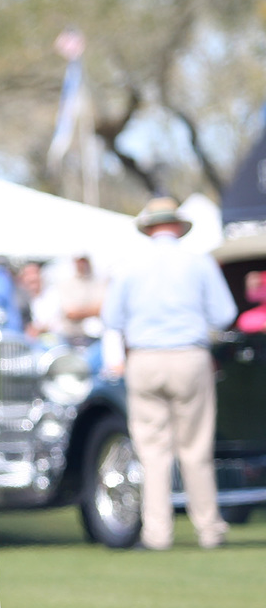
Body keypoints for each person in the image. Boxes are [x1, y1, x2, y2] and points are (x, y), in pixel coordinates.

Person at [102, 197, 237, 550]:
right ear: (177, 226)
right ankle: (209, 529)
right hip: (188, 356)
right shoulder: (198, 262)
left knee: (153, 452)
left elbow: (111, 319)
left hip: (145, 358)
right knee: (195, 449)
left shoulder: (129, 266)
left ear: (149, 227)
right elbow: (224, 313)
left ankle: (157, 534)